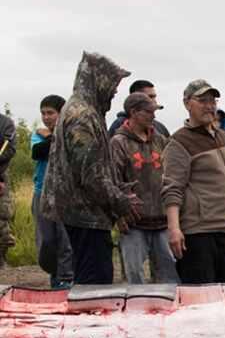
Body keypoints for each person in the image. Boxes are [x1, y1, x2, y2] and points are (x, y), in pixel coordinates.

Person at [41, 51, 141, 285]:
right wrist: (121, 201)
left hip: (86, 214)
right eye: (113, 83)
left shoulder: (84, 110)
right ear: (98, 80)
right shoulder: (82, 116)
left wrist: (118, 188)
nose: (115, 90)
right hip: (85, 216)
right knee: (95, 287)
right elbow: (91, 176)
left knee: (93, 281)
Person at [162, 80, 225, 284]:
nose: (209, 105)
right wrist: (174, 229)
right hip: (198, 235)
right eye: (202, 100)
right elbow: (172, 190)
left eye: (213, 100)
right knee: (202, 299)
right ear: (187, 103)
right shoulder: (179, 142)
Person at [109, 92, 178, 284]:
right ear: (133, 112)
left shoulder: (161, 140)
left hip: (162, 222)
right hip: (133, 224)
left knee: (170, 278)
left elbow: (173, 175)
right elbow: (113, 182)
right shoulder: (118, 143)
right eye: (148, 112)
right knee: (135, 279)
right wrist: (118, 215)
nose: (153, 116)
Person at [30, 94, 73, 286]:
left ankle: (64, 279)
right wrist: (54, 136)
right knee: (46, 240)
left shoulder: (71, 133)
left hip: (65, 193)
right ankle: (53, 272)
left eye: (51, 113)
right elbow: (38, 152)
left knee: (65, 238)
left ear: (61, 114)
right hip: (42, 192)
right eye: (43, 113)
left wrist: (55, 135)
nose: (46, 117)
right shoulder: (38, 134)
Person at [0, 111, 15, 268]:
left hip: (0, 174)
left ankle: (1, 260)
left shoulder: (5, 123)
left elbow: (9, 149)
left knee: (2, 221)